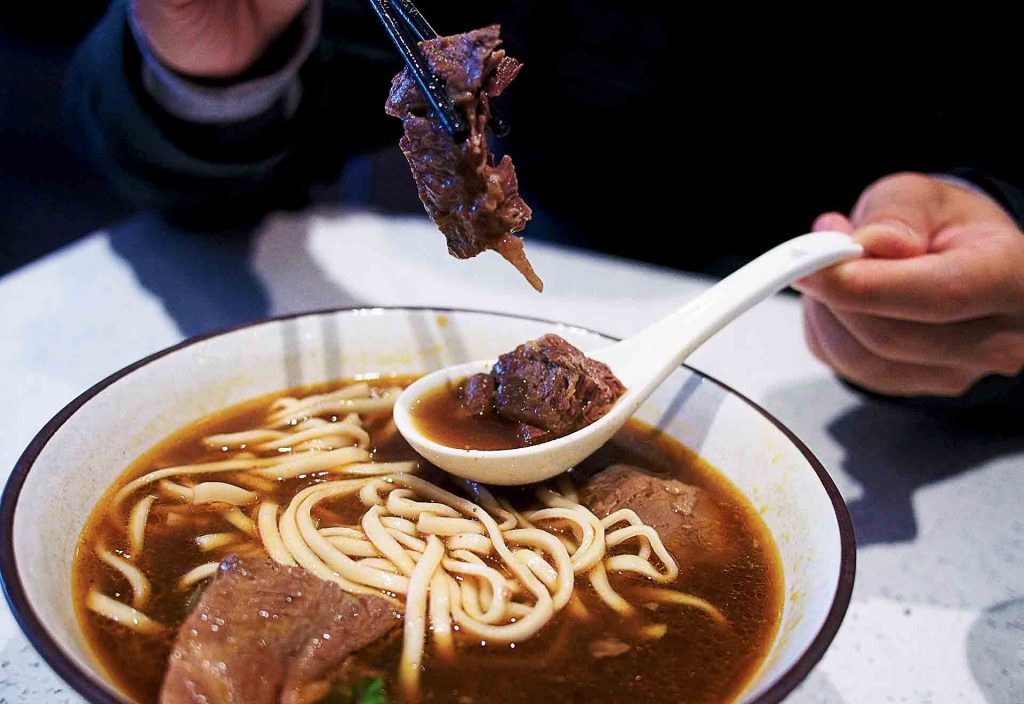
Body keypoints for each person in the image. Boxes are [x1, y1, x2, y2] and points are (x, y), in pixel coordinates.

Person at [66, 0, 1024, 402]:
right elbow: (196, 181)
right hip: (523, 287)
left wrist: (999, 211)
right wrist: (219, 74)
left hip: (833, 364)